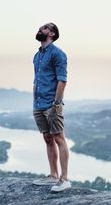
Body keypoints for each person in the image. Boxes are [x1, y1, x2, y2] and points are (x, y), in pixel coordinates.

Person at [32, 22, 71, 192]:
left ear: (52, 34)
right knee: (47, 138)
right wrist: (35, 101)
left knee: (59, 138)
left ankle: (65, 179)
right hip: (39, 104)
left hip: (51, 104)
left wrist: (56, 103)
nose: (40, 30)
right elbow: (37, 80)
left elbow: (62, 80)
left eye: (44, 28)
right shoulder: (37, 55)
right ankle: (53, 175)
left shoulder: (58, 54)